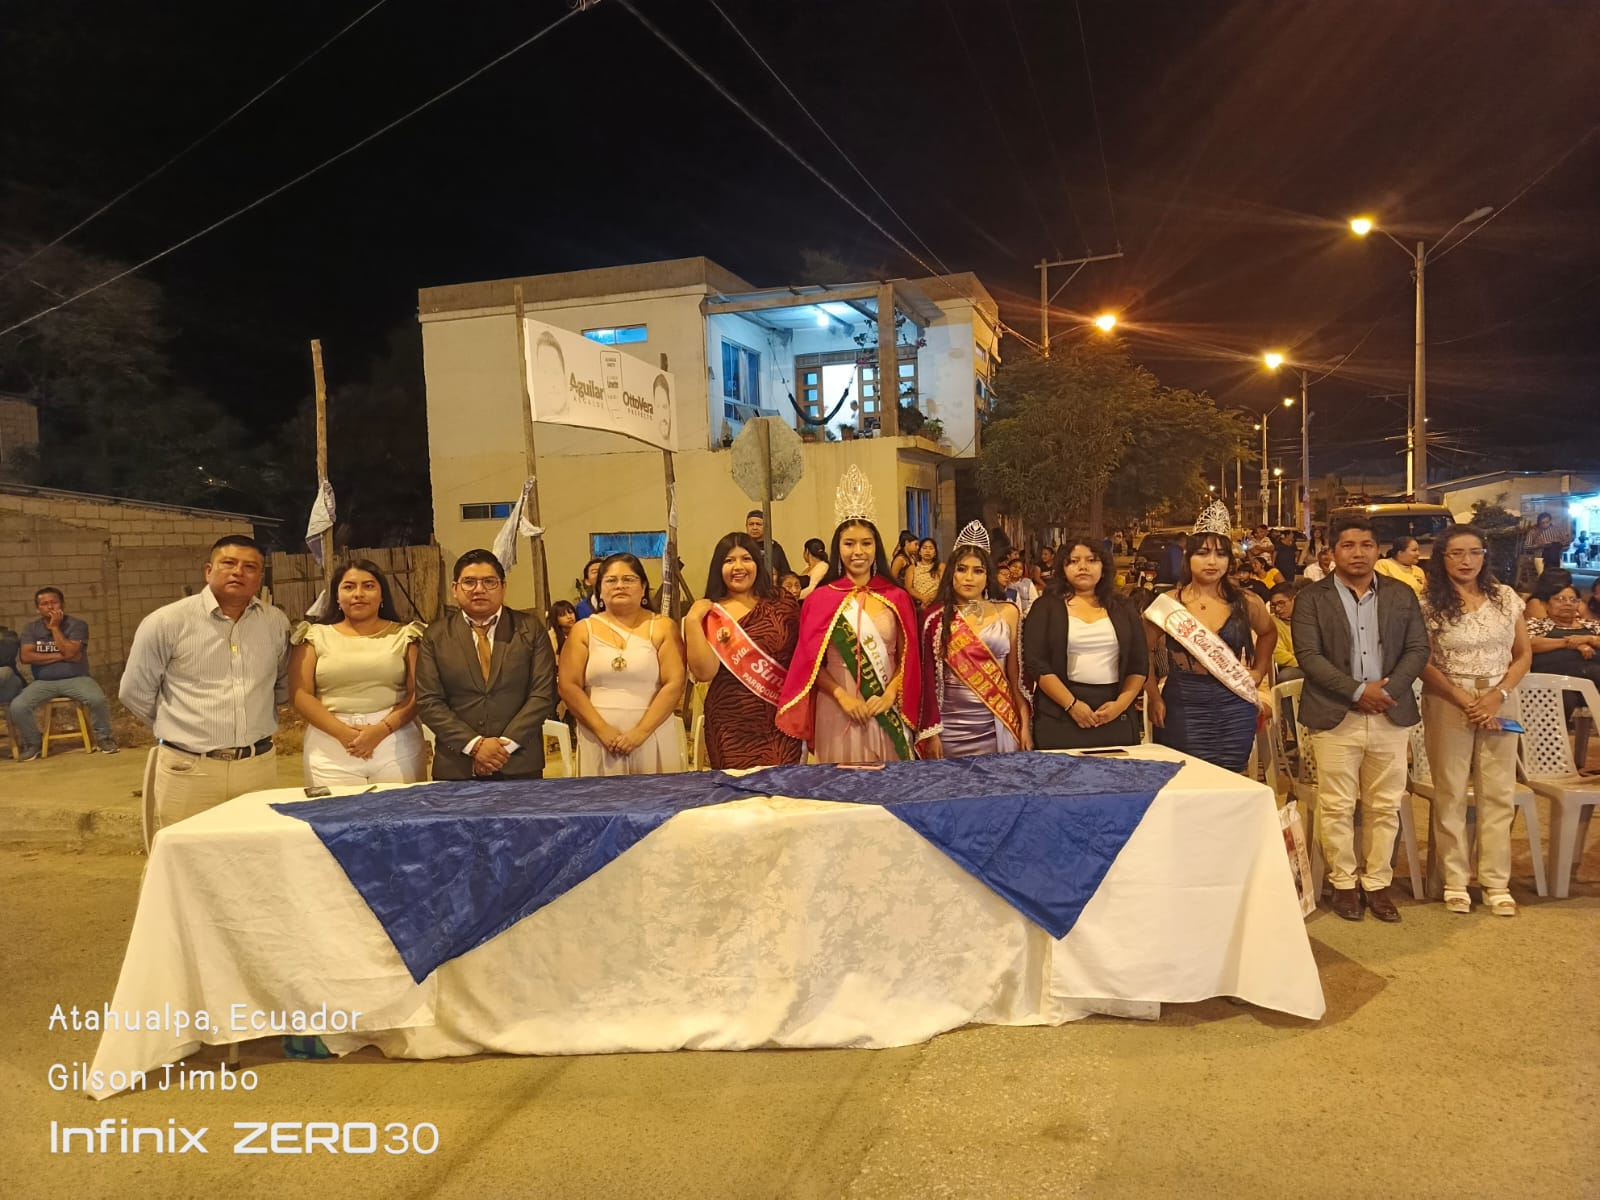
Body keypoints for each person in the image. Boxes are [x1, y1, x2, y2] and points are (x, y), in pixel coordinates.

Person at [1292, 514, 1430, 922]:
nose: (1358, 553)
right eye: (1348, 545)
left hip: (1389, 711)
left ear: (1377, 550)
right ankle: (1344, 884)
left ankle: (1377, 884)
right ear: (1332, 552)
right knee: (1336, 805)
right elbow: (1309, 656)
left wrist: (1386, 691)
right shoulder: (1312, 598)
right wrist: (1357, 691)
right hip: (1336, 714)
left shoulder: (1401, 594)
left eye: (1366, 545)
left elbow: (1418, 649)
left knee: (1385, 804)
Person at [119, 536, 290, 842]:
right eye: (229, 563)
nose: (238, 572)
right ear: (208, 570)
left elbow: (281, 685)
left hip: (257, 767)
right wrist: (180, 727)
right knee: (187, 857)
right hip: (189, 769)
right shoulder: (167, 622)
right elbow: (134, 691)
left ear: (260, 577)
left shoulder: (275, 622)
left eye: (250, 567)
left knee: (255, 854)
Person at [1419, 525, 1531, 917]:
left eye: (1474, 552)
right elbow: (1422, 661)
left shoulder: (1505, 597)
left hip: (1500, 700)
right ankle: (1454, 880)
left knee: (1498, 793)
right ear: (1442, 558)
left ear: (1485, 555)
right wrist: (1464, 699)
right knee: (1450, 791)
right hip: (1448, 700)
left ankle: (1496, 882)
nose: (1466, 561)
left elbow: (1523, 654)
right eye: (1456, 553)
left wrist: (1497, 696)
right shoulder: (1428, 603)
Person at [777, 467, 921, 763]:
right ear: (837, 548)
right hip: (837, 706)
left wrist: (889, 695)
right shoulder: (819, 599)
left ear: (876, 547)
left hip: (885, 708)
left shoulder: (897, 598)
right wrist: (842, 696)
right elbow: (810, 663)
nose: (858, 551)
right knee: (839, 785)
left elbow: (908, 658)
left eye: (866, 543)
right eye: (849, 543)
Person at [1145, 506, 1276, 773]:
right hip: (1183, 703)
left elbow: (1268, 633)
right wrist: (1154, 697)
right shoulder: (1168, 604)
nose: (1212, 562)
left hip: (1235, 704)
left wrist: (1259, 670)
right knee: (1187, 780)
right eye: (1203, 553)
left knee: (1231, 778)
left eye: (1220, 554)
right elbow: (1140, 652)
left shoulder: (1247, 601)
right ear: (1188, 557)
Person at [415, 549, 558, 781]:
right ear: (454, 588)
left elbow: (543, 694)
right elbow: (429, 701)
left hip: (519, 762)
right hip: (457, 764)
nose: (479, 589)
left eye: (489, 582)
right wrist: (474, 746)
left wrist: (504, 748)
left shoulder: (530, 629)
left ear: (503, 587)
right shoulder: (436, 635)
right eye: (469, 582)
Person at [288, 560, 425, 786]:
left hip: (395, 741)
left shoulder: (406, 635)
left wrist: (380, 730)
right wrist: (343, 733)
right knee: (335, 809)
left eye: (368, 586)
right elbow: (300, 694)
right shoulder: (313, 636)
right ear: (336, 596)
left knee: (400, 809)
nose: (358, 594)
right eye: (349, 587)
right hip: (330, 744)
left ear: (382, 595)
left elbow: (418, 693)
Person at [684, 532, 803, 769]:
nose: (738, 567)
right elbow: (704, 673)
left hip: (780, 716)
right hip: (730, 720)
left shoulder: (782, 603)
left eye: (746, 558)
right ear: (718, 568)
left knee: (783, 786)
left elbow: (803, 655)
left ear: (758, 563)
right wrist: (693, 621)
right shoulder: (711, 613)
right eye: (729, 560)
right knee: (737, 788)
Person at [560, 553, 685, 776]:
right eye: (611, 580)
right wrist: (602, 730)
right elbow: (568, 685)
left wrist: (640, 732)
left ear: (643, 587)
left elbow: (674, 683)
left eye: (628, 579)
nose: (620, 585)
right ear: (599, 589)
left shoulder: (662, 627)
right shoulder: (583, 630)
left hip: (652, 734)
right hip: (598, 737)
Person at [1025, 537, 1148, 750]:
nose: (1083, 567)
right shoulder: (1045, 607)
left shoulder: (1123, 606)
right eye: (1073, 561)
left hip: (1114, 712)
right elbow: (1036, 663)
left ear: (1104, 567)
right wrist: (1072, 705)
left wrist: (1120, 705)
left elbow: (1139, 663)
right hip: (1060, 713)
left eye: (1091, 560)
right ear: (1062, 568)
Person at [917, 525, 1029, 758]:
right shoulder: (934, 619)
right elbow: (926, 682)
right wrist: (931, 733)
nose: (969, 578)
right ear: (951, 574)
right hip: (949, 729)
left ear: (988, 576)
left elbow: (1015, 678)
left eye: (978, 571)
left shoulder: (1008, 612)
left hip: (998, 723)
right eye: (962, 569)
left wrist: (1025, 725)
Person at [10, 586, 118, 760]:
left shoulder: (77, 625)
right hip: (43, 682)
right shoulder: (31, 629)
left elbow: (70, 652)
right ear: (38, 609)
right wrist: (62, 656)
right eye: (44, 604)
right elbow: (26, 656)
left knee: (97, 699)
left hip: (76, 678)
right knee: (18, 706)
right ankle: (34, 743)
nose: (50, 607)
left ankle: (104, 738)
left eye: (54, 602)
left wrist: (54, 628)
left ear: (62, 604)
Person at [1525, 572, 1600, 689]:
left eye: (1573, 600)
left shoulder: (1591, 625)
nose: (1567, 603)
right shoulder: (1538, 624)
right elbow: (1528, 644)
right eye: (1560, 599)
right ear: (1546, 604)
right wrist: (1569, 643)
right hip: (1553, 683)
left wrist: (1589, 639)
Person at [1267, 584, 1303, 681]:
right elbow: (1277, 653)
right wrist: (1306, 664)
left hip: (1317, 663)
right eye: (1274, 605)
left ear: (1294, 600)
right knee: (1286, 676)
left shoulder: (1308, 618)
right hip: (1295, 666)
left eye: (1281, 603)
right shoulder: (1271, 623)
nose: (1277, 609)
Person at [745, 510, 792, 580]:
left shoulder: (775, 548)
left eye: (758, 524)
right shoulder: (741, 547)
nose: (755, 528)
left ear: (766, 527)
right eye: (751, 524)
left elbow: (786, 575)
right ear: (746, 526)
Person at [907, 537, 943, 607]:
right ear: (919, 552)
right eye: (924, 548)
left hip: (937, 602)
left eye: (931, 548)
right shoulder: (912, 568)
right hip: (919, 605)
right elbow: (909, 588)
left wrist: (930, 599)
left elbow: (944, 585)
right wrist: (923, 598)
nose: (927, 551)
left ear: (935, 553)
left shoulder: (940, 567)